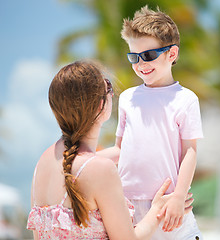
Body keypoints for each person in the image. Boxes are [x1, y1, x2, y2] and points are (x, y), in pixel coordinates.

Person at [26, 60, 194, 240]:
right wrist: (157, 210)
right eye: (108, 86)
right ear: (100, 105)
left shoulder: (43, 163)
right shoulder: (100, 169)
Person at [98, 6, 204, 240]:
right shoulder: (127, 98)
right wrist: (80, 160)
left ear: (172, 53)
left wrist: (178, 196)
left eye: (148, 55)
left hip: (169, 202)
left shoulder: (186, 99)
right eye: (133, 57)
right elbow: (119, 149)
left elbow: (190, 152)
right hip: (126, 203)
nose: (140, 64)